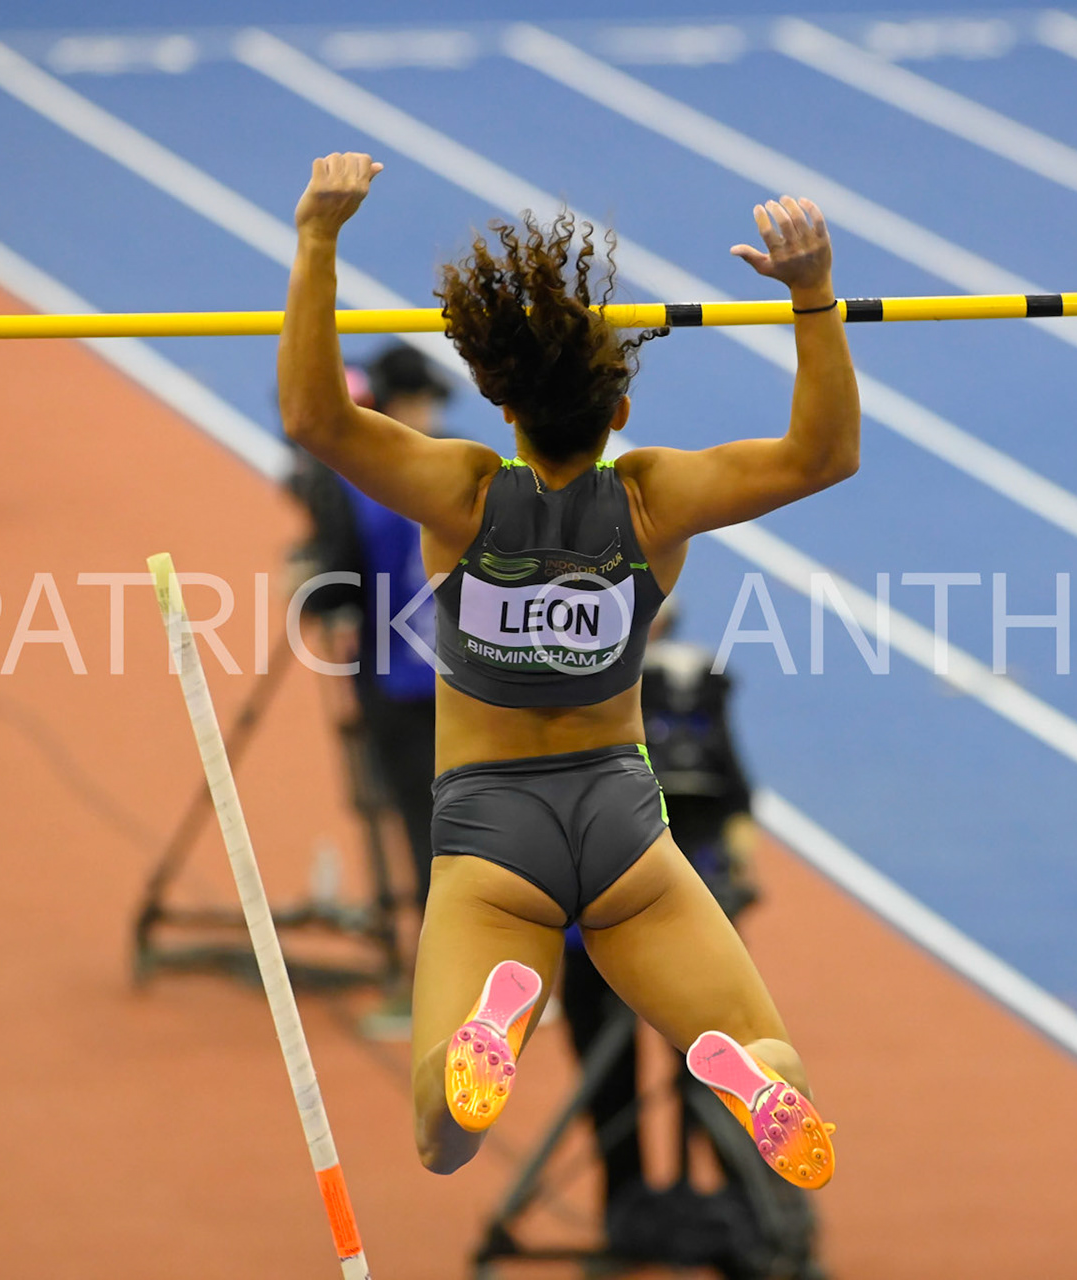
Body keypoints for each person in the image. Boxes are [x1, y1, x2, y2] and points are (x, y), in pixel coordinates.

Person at [279, 152, 859, 1191]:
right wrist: (812, 295)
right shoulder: (652, 499)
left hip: (491, 832)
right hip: (622, 821)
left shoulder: (462, 492)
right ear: (618, 411)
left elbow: (318, 420)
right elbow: (823, 457)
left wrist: (318, 238)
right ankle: (752, 1074)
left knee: (443, 1137)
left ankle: (494, 1020)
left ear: (498, 398)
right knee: (772, 1051)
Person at [561, 598, 774, 1258]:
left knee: (705, 1067)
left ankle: (738, 1211)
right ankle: (641, 1213)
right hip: (637, 920)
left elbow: (732, 793)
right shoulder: (580, 693)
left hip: (640, 917)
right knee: (638, 1072)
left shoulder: (681, 686)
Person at [288, 345, 453, 911]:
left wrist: (305, 583)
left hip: (399, 684)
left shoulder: (352, 482)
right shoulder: (466, 467)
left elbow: (334, 588)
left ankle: (438, 957)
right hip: (475, 679)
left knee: (428, 832)